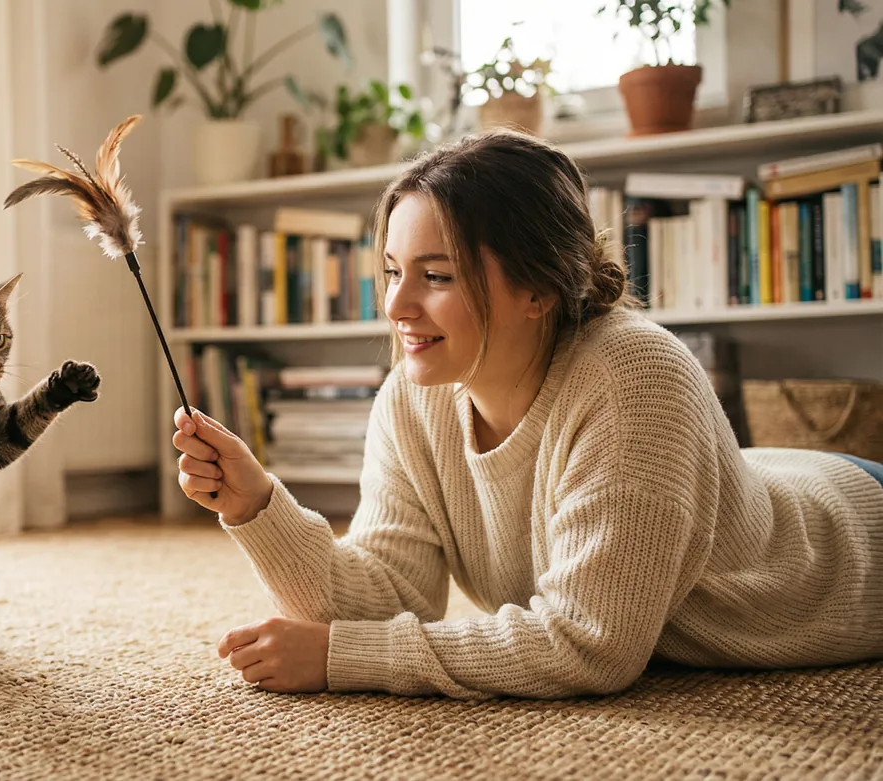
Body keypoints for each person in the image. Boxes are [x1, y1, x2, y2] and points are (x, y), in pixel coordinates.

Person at [171, 129, 883, 700]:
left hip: (853, 539)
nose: (396, 306)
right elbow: (394, 594)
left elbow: (588, 643)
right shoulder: (413, 396)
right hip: (771, 476)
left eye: (436, 275)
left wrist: (340, 658)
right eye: (392, 271)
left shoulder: (636, 377)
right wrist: (257, 505)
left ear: (538, 288)